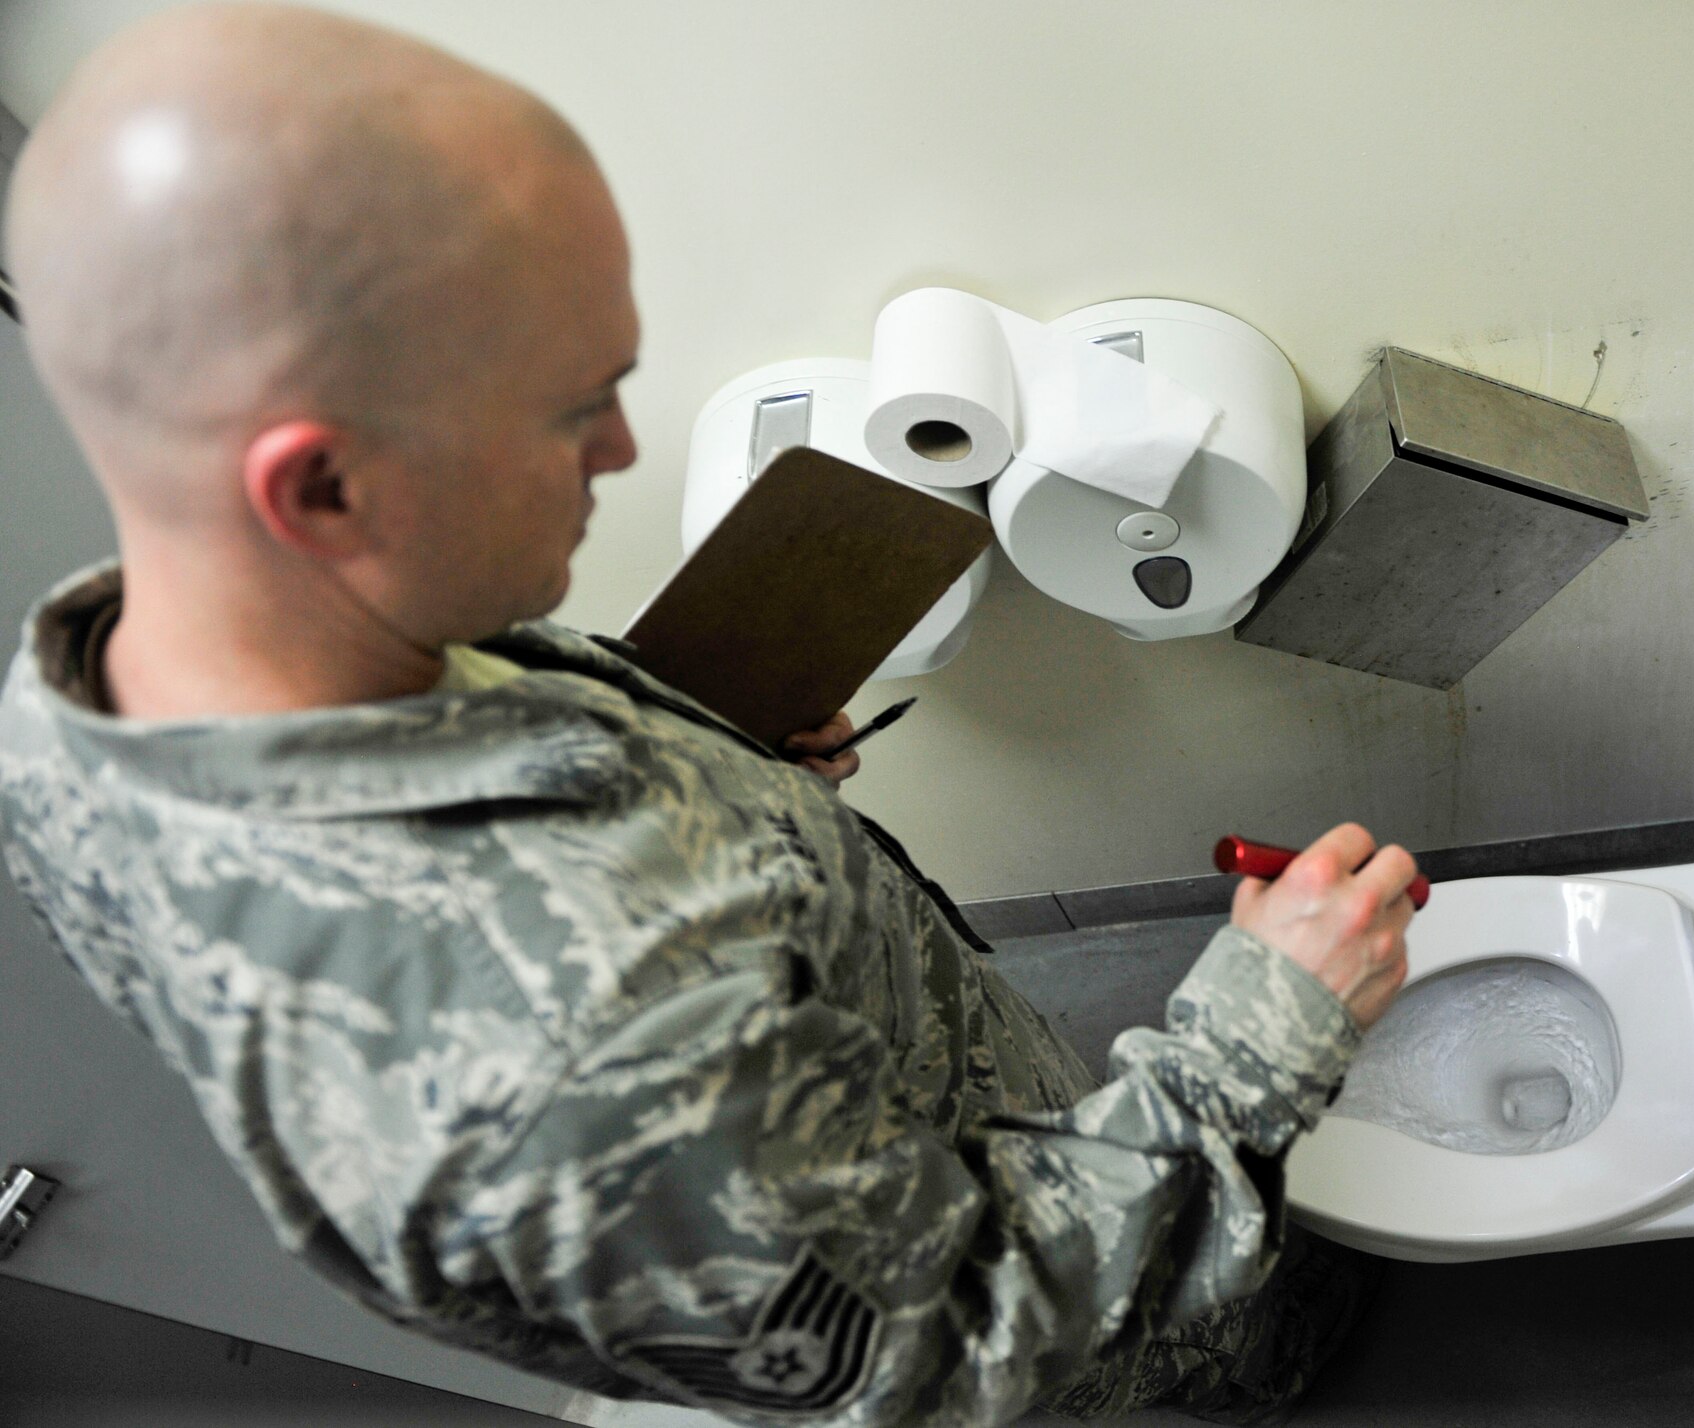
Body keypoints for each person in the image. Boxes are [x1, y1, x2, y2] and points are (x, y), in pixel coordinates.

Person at [0, 5, 1417, 1424]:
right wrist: (1259, 1040)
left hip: (836, 1120)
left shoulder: (79, 695)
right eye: (575, 411)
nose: (621, 450)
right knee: (1220, 1350)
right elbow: (944, 1335)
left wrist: (691, 758)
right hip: (1009, 1299)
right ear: (320, 491)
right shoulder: (570, 1056)